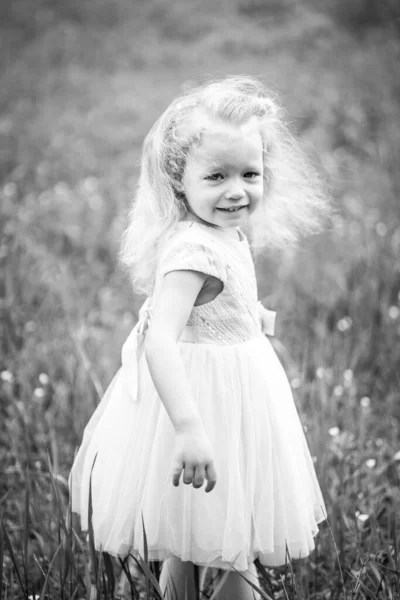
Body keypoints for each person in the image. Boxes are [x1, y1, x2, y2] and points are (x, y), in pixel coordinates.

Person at [69, 75, 330, 600]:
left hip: (236, 394)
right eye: (216, 176)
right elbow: (160, 340)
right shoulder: (193, 251)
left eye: (250, 173)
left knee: (206, 527)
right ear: (178, 179)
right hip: (197, 402)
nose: (237, 190)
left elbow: (214, 303)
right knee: (225, 538)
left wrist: (249, 314)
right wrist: (188, 428)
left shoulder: (223, 233)